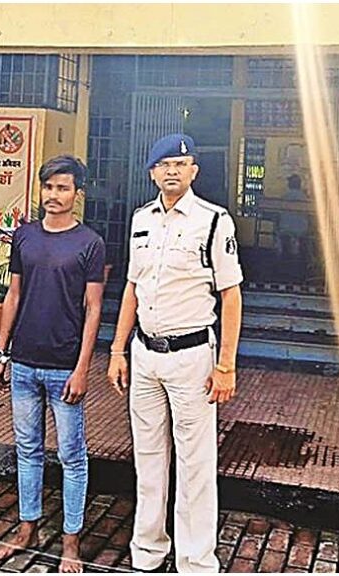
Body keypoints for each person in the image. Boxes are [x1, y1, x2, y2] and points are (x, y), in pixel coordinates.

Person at [107, 133, 243, 573]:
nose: (172, 171)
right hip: (145, 353)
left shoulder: (213, 220)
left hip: (192, 357)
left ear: (193, 171)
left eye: (180, 164)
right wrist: (117, 350)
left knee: (195, 465)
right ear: (152, 173)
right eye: (164, 165)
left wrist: (226, 364)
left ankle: (196, 561)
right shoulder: (140, 220)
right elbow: (132, 288)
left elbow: (231, 294)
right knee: (148, 460)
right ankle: (147, 552)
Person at [0, 155, 105, 573]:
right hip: (23, 364)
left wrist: (82, 367)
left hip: (64, 367)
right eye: (48, 187)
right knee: (28, 450)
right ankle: (27, 529)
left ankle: (71, 541)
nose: (54, 195)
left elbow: (93, 308)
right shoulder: (24, 236)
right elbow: (13, 295)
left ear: (77, 193)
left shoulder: (90, 243)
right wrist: (2, 353)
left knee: (72, 456)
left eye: (63, 188)